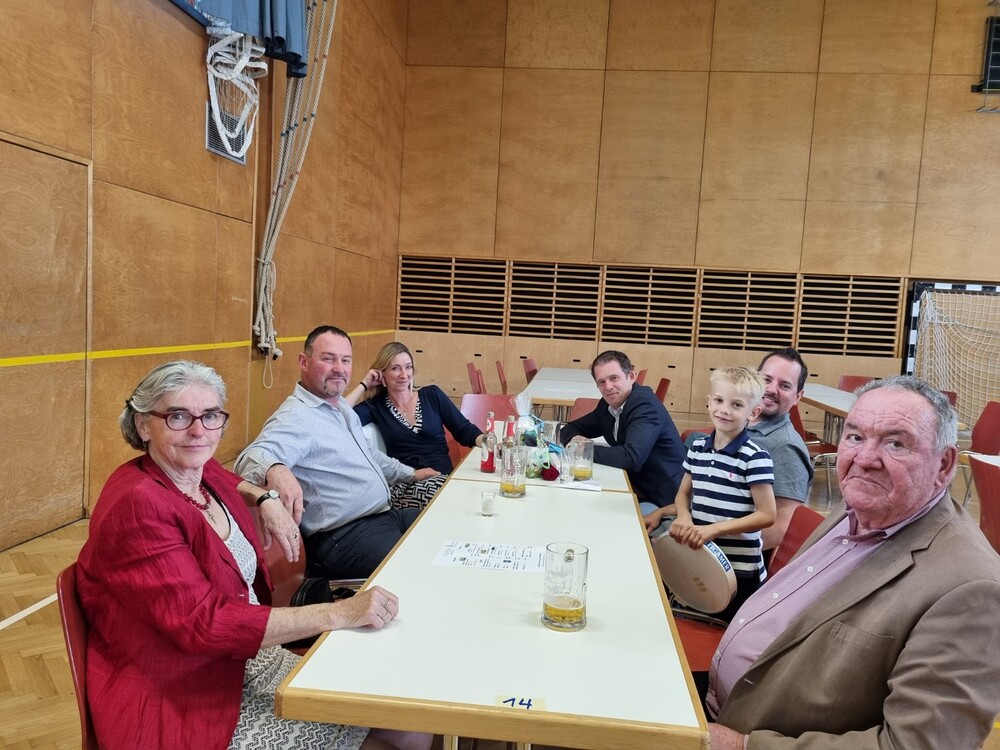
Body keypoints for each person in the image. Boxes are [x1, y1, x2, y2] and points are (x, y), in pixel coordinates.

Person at [76, 360, 430, 750]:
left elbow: (232, 479)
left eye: (210, 415)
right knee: (393, 742)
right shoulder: (138, 504)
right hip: (182, 692)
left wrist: (265, 497)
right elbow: (205, 624)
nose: (198, 431)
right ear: (143, 424)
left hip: (247, 661)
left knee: (410, 727)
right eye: (178, 416)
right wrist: (340, 613)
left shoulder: (201, 472)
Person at [706, 376, 1000, 750]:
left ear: (943, 465)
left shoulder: (972, 590)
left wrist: (743, 745)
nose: (864, 459)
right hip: (712, 707)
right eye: (856, 436)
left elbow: (915, 745)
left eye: (896, 443)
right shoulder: (861, 506)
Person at [235, 326, 441, 580]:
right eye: (328, 359)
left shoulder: (340, 407)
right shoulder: (296, 416)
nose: (339, 368)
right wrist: (274, 469)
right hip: (345, 536)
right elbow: (250, 458)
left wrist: (411, 474)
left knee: (448, 534)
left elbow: (370, 455)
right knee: (422, 571)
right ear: (303, 362)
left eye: (345, 360)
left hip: (384, 516)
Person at [644, 367, 776, 622]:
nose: (724, 410)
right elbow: (683, 494)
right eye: (718, 400)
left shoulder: (755, 457)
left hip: (739, 572)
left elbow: (767, 515)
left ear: (753, 412)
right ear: (709, 401)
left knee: (724, 631)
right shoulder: (697, 448)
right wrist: (684, 517)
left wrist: (714, 530)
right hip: (701, 561)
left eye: (736, 405)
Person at [559, 350, 685, 512]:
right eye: (601, 382)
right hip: (635, 485)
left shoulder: (644, 405)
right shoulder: (608, 405)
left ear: (631, 377)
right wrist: (576, 441)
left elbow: (631, 458)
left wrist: (584, 449)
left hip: (665, 499)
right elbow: (570, 429)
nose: (608, 387)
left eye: (614, 378)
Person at [344, 341, 485, 474]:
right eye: (395, 368)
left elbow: (464, 430)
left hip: (441, 477)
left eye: (408, 367)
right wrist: (365, 384)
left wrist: (487, 441)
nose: (404, 375)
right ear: (382, 373)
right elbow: (339, 416)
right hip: (408, 480)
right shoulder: (375, 406)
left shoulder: (432, 395)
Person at [750, 348, 814, 550]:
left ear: (797, 397)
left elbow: (782, 528)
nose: (771, 389)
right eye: (766, 380)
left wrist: (716, 543)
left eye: (784, 385)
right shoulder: (738, 425)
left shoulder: (785, 447)